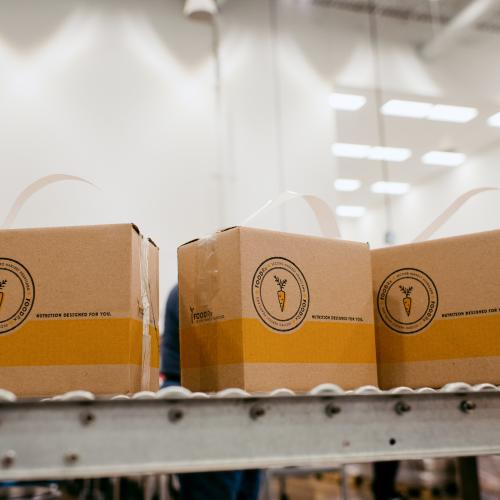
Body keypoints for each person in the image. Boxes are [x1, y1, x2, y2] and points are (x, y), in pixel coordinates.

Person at [161, 285, 262, 500]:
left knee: (243, 489)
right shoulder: (194, 291)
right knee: (214, 491)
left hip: (237, 405)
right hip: (203, 406)